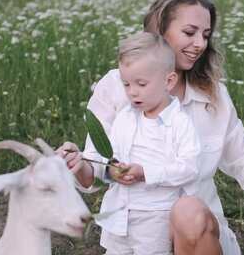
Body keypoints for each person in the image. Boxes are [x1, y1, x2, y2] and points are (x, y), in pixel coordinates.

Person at [57, 0, 244, 255]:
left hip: (196, 236)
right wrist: (77, 163)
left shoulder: (214, 96)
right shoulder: (117, 86)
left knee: (187, 210)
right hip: (135, 232)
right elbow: (97, 168)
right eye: (189, 33)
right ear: (160, 32)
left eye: (205, 35)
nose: (200, 44)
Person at [68, 31, 200, 254]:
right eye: (126, 84)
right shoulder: (125, 118)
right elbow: (109, 161)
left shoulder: (179, 123)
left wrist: (145, 173)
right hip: (119, 214)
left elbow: (189, 167)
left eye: (141, 84)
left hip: (155, 217)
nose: (132, 92)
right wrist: (90, 164)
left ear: (168, 81)